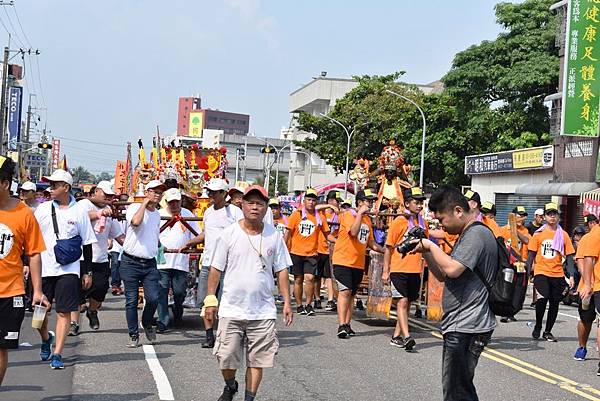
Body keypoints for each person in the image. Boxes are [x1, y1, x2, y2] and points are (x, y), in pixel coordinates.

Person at [205, 185, 293, 401]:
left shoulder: (274, 236)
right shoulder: (229, 234)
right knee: (225, 358)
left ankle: (249, 398)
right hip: (231, 309)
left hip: (263, 311)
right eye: (251, 203)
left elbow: (281, 270)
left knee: (258, 360)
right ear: (242, 205)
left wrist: (287, 302)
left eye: (260, 204)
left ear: (266, 208)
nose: (255, 207)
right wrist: (210, 299)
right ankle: (230, 384)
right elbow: (216, 269)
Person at [411, 186, 497, 401]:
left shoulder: (476, 233)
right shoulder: (467, 234)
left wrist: (430, 244)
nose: (441, 225)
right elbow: (443, 275)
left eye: (442, 219)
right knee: (460, 389)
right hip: (462, 324)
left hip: (467, 325)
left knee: (456, 391)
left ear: (458, 211)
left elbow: (452, 268)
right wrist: (427, 252)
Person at [34, 169, 97, 369]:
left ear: (66, 188)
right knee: (39, 313)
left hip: (68, 269)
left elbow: (87, 243)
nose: (50, 188)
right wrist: (27, 264)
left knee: (63, 312)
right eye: (50, 185)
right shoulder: (42, 209)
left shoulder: (79, 211)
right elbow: (31, 239)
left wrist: (87, 271)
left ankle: (58, 353)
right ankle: (46, 338)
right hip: (43, 268)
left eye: (54, 185)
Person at [0, 156, 47, 384]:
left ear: (5, 184)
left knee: (0, 350)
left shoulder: (24, 214)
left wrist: (37, 290)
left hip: (10, 293)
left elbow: (34, 252)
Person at [184, 178, 243, 348]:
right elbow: (206, 234)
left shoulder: (235, 212)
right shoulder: (209, 212)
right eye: (209, 191)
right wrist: (190, 243)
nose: (210, 195)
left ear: (224, 194)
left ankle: (226, 335)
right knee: (205, 300)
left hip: (229, 264)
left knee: (226, 301)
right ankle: (209, 335)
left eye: (214, 192)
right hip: (209, 263)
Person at [332, 189, 383, 338]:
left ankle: (347, 324)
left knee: (352, 294)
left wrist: (385, 250)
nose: (371, 204)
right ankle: (341, 325)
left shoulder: (367, 220)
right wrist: (360, 213)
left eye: (372, 201)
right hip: (343, 260)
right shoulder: (349, 215)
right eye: (368, 201)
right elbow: (353, 232)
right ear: (360, 202)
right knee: (345, 291)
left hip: (358, 263)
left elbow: (370, 242)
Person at [120, 179, 165, 347]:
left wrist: (158, 246)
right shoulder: (134, 208)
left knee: (153, 298)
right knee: (131, 300)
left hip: (149, 263)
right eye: (154, 191)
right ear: (147, 192)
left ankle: (147, 322)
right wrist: (144, 203)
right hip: (130, 262)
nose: (157, 195)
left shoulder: (157, 214)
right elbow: (136, 223)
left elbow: (153, 235)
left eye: (160, 192)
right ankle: (133, 334)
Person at [383, 187, 429, 350]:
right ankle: (407, 336)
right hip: (399, 268)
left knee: (408, 303)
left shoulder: (423, 222)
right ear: (407, 203)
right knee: (402, 302)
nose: (419, 206)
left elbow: (427, 243)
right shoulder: (399, 222)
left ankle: (396, 336)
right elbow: (388, 247)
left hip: (415, 269)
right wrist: (385, 271)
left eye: (421, 203)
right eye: (416, 202)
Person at [76, 181, 125, 331]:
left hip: (101, 258)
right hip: (81, 258)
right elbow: (80, 217)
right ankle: (73, 324)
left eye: (111, 196)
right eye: (105, 194)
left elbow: (119, 236)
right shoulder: (84, 204)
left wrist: (135, 247)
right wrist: (99, 214)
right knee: (76, 292)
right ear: (96, 191)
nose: (108, 198)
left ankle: (92, 311)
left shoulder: (109, 211)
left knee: (100, 289)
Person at [527, 202, 575, 342]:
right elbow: (531, 255)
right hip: (541, 272)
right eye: (549, 214)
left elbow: (570, 257)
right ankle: (537, 326)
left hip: (557, 274)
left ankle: (548, 331)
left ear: (558, 217)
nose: (552, 217)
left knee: (555, 302)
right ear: (544, 217)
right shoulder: (538, 234)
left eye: (555, 214)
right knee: (543, 298)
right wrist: (528, 272)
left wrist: (571, 275)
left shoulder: (563, 235)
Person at [156, 188, 200, 332]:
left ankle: (177, 310)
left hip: (181, 261)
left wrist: (189, 244)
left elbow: (198, 234)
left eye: (177, 202)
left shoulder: (188, 215)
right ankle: (163, 320)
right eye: (171, 202)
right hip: (162, 260)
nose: (174, 205)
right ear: (167, 202)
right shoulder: (159, 215)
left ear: (181, 201)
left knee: (179, 291)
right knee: (161, 291)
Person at [284, 188, 333, 316]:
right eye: (309, 199)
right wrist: (283, 249)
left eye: (313, 200)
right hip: (296, 252)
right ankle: (300, 305)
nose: (311, 202)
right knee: (298, 279)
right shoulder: (296, 215)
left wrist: (339, 241)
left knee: (310, 278)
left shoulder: (319, 216)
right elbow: (288, 233)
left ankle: (309, 304)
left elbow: (328, 235)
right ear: (304, 201)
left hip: (312, 254)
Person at [573, 214, 599, 364]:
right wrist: (588, 282)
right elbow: (581, 261)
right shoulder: (587, 239)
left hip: (594, 286)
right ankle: (582, 347)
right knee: (586, 319)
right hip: (588, 287)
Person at [498, 206, 531, 323]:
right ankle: (503, 312)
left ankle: (511, 311)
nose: (522, 218)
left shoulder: (525, 231)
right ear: (513, 216)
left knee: (517, 290)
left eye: (523, 215)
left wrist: (515, 231)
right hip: (507, 264)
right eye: (519, 215)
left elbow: (528, 241)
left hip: (520, 264)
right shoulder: (502, 230)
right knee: (506, 288)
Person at [315, 191, 340, 311]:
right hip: (319, 247)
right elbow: (315, 207)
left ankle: (331, 300)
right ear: (330, 201)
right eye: (336, 201)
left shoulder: (338, 215)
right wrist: (329, 206)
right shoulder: (322, 213)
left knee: (330, 276)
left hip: (331, 250)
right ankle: (317, 299)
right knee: (317, 277)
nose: (337, 204)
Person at [109, 193, 129, 295]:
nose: (124, 203)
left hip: (126, 242)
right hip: (116, 244)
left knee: (123, 265)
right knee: (115, 263)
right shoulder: (113, 212)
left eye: (126, 200)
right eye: (123, 200)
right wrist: (110, 239)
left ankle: (124, 285)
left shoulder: (130, 212)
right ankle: (115, 285)